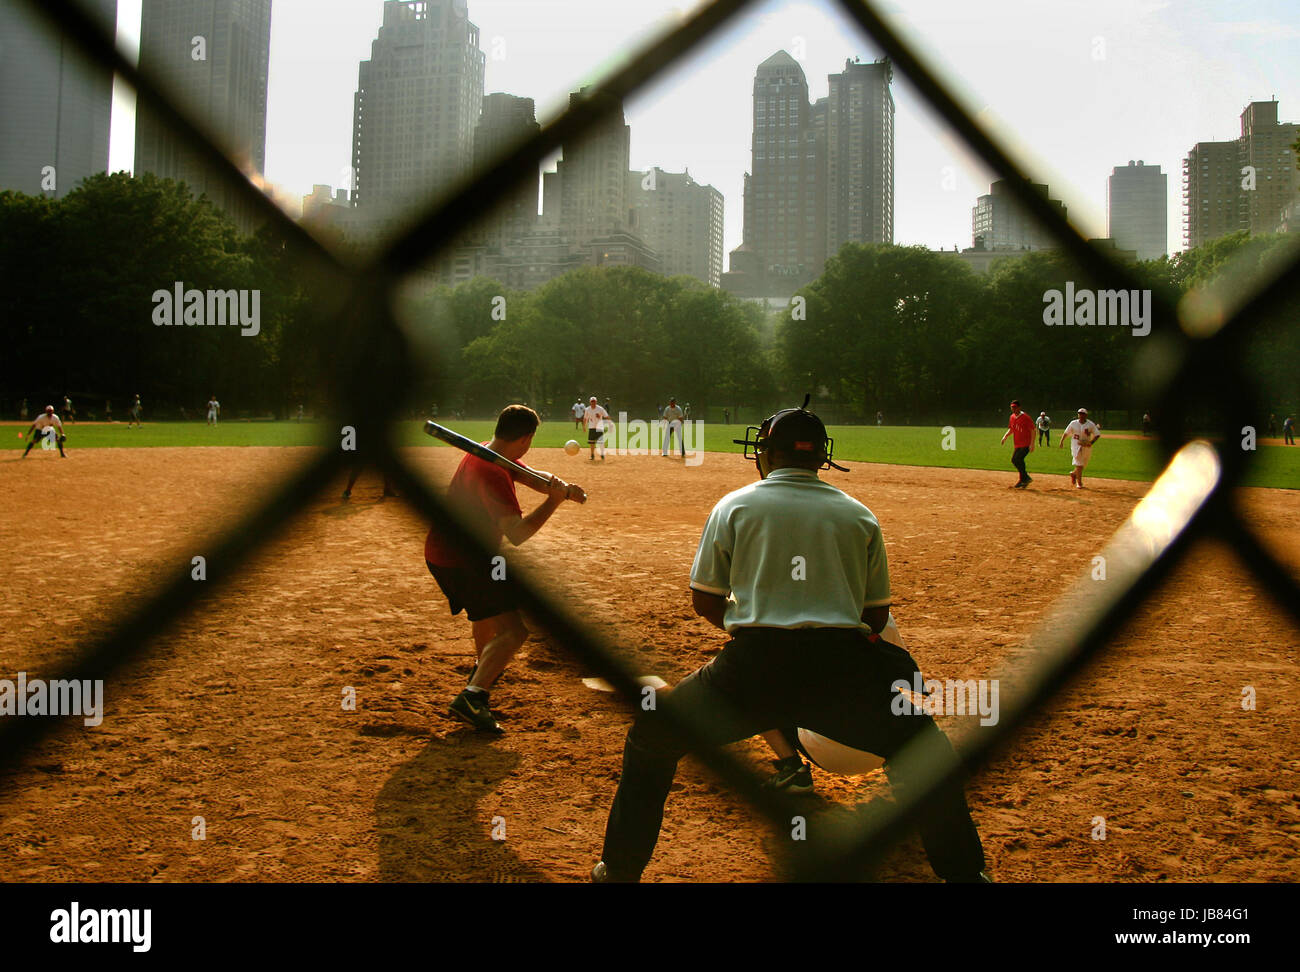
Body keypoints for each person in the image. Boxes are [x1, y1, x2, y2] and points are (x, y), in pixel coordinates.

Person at [592, 401, 988, 883]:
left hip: (749, 671)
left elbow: (704, 599)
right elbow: (876, 614)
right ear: (821, 456)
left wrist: (756, 628)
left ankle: (619, 871)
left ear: (766, 453)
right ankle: (966, 875)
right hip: (841, 670)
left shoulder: (735, 504)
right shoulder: (858, 514)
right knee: (925, 754)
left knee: (652, 739)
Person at [424, 405, 585, 732]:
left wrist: (564, 490)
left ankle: (481, 672)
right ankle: (473, 696)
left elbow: (528, 476)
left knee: (484, 616)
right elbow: (517, 534)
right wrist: (553, 502)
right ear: (526, 438)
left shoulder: (490, 452)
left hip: (446, 552)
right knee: (514, 630)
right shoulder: (491, 472)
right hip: (464, 561)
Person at [1060, 407, 1101, 488]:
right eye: (1080, 414)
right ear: (1078, 415)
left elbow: (1097, 434)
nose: (1081, 415)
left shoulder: (1090, 424)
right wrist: (1061, 441)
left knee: (1083, 464)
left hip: (1086, 446)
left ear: (1086, 415)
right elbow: (1066, 432)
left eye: (1083, 414)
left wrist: (1091, 442)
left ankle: (1074, 474)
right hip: (1076, 445)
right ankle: (1079, 483)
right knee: (1079, 463)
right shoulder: (1073, 423)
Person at [999, 399, 1035, 488]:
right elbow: (1012, 429)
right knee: (1015, 460)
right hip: (1017, 444)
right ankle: (1024, 479)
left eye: (1015, 407)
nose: (1013, 409)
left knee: (1018, 459)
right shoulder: (1012, 417)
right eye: (1012, 407)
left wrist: (1032, 444)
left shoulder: (1025, 417)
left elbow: (1033, 430)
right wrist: (1005, 436)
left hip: (1026, 443)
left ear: (1019, 407)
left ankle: (1024, 478)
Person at [584, 396, 611, 461]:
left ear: (596, 402)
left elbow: (607, 416)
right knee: (592, 442)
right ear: (590, 402)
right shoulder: (587, 409)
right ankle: (592, 455)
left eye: (594, 401)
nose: (593, 403)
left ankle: (602, 454)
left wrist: (610, 424)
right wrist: (584, 426)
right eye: (592, 401)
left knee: (601, 442)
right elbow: (585, 418)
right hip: (591, 427)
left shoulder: (600, 409)